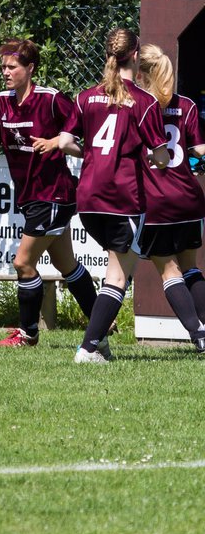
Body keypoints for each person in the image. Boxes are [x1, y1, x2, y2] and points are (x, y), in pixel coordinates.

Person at [0, 38, 97, 347]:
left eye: (12, 67)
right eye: (3, 66)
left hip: (54, 194)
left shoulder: (52, 99)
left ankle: (27, 334)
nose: (5, 72)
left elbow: (86, 133)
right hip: (31, 197)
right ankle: (102, 320)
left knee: (23, 263)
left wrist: (56, 141)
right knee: (66, 264)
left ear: (30, 69)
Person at [71, 30, 174, 363]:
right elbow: (160, 157)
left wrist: (99, 155)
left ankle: (99, 344)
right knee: (118, 277)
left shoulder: (85, 97)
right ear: (137, 54)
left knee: (113, 271)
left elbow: (72, 142)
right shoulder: (144, 102)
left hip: (87, 199)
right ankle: (88, 349)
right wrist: (148, 158)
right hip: (123, 199)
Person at [134, 44, 205, 342]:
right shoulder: (186, 105)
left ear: (141, 73)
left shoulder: (137, 105)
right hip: (189, 199)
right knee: (191, 267)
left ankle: (198, 333)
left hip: (155, 201)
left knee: (168, 269)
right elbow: (200, 151)